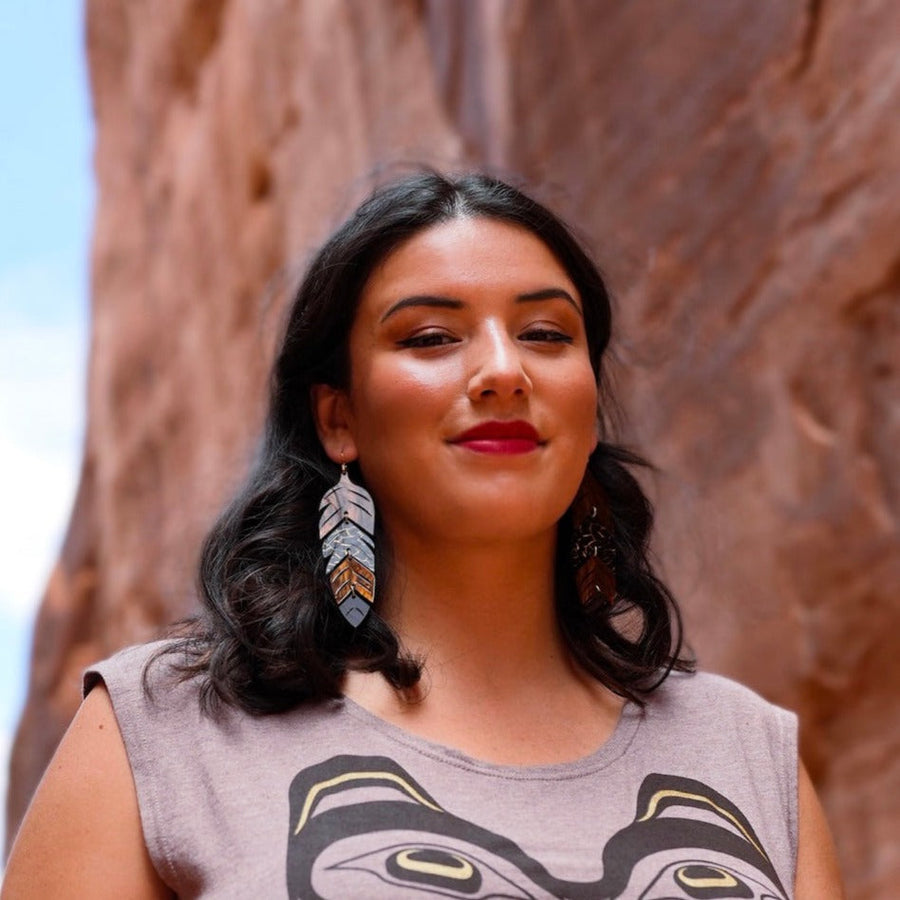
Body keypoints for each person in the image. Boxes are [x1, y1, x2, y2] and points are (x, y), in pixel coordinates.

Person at [3, 172, 844, 899]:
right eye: (432, 337)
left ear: (589, 404)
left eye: (546, 334)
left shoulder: (748, 753)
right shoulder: (165, 729)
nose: (503, 371)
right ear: (339, 418)